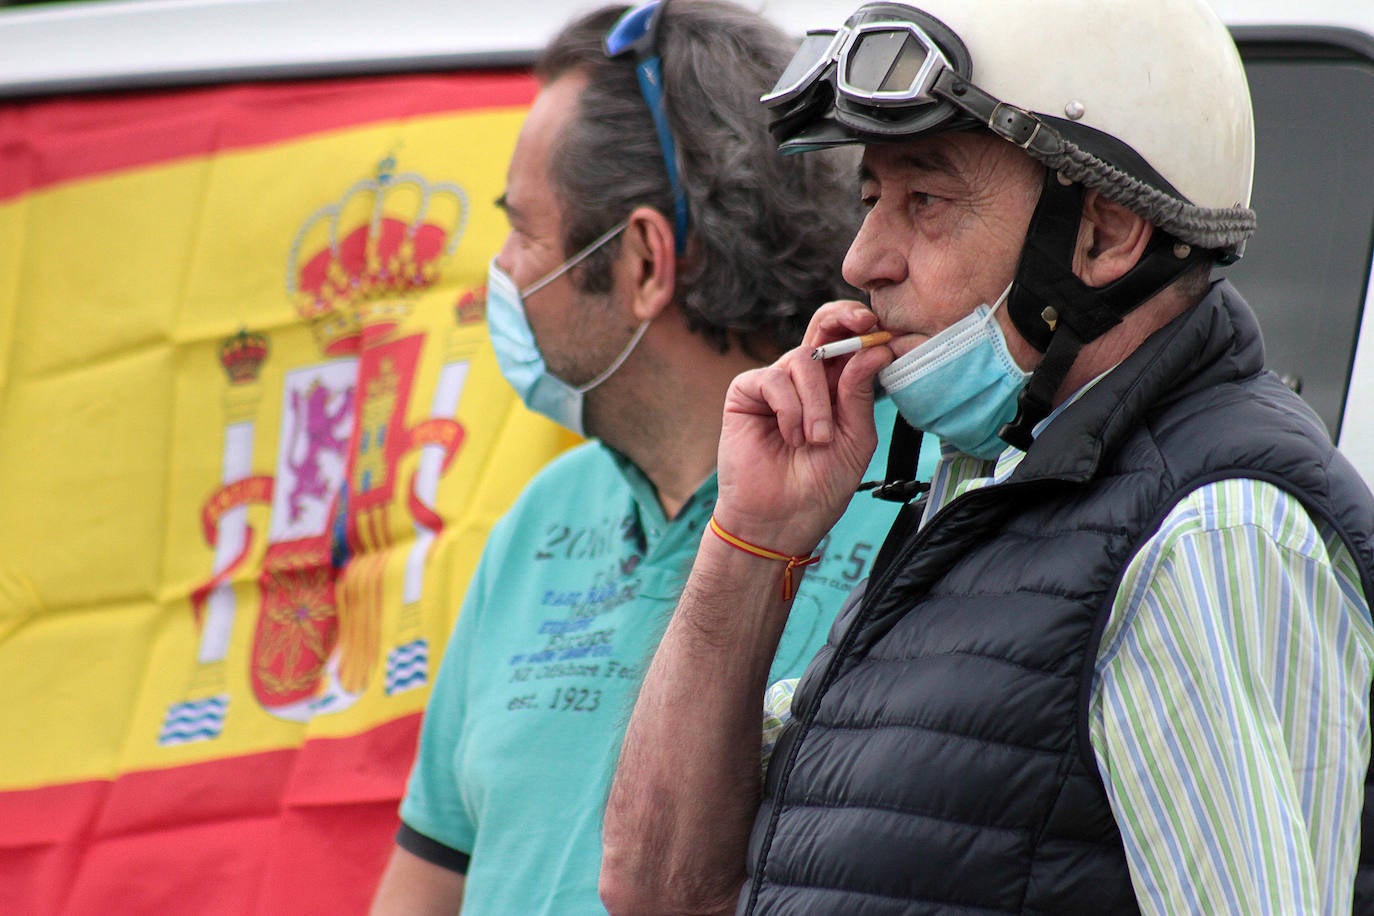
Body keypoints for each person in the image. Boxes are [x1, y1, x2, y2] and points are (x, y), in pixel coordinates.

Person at [601, 0, 1374, 913]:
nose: (862, 261)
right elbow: (659, 887)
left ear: (1104, 234)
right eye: (870, 200)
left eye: (924, 202)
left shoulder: (1209, 534)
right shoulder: (984, 496)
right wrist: (751, 540)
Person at [369, 2, 925, 913]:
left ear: (641, 261)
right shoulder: (543, 517)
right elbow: (424, 888)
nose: (501, 272)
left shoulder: (928, 490)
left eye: (523, 231)